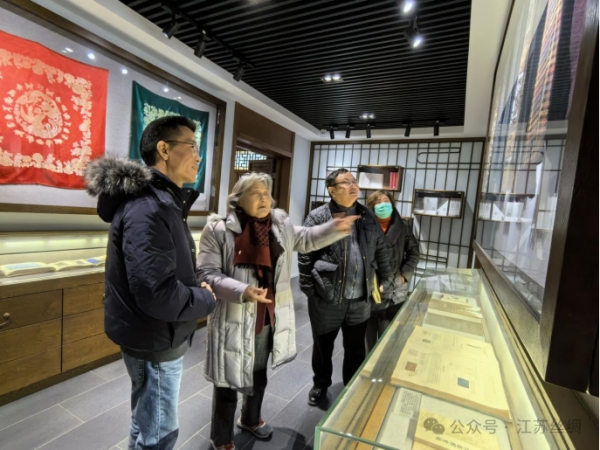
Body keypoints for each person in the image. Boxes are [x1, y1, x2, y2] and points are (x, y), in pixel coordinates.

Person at [196, 172, 358, 450]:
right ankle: (221, 437)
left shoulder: (279, 225)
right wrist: (241, 290)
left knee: (258, 373)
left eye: (267, 193)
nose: (264, 198)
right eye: (256, 193)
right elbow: (206, 273)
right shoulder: (219, 230)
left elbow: (305, 238)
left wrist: (333, 228)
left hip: (267, 314)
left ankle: (250, 419)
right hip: (234, 316)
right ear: (238, 199)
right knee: (227, 379)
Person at [84, 116, 216, 450]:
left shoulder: (162, 201)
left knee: (145, 420)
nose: (198, 156)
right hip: (155, 335)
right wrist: (206, 299)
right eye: (192, 146)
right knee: (159, 433)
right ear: (164, 149)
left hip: (155, 331)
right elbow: (157, 293)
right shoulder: (149, 206)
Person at [298, 168, 394, 407]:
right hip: (327, 296)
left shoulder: (367, 215)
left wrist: (386, 279)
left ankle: (351, 387)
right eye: (346, 182)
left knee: (355, 348)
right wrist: (310, 290)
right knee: (323, 346)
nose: (353, 186)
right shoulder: (318, 216)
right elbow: (305, 254)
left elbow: (381, 250)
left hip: (359, 298)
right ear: (331, 190)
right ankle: (320, 384)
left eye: (354, 182)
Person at [365, 190, 420, 352]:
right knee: (368, 336)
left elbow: (414, 254)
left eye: (386, 201)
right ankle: (368, 365)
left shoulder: (403, 228)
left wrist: (403, 276)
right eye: (378, 202)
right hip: (370, 288)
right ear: (372, 206)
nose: (383, 205)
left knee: (389, 337)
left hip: (395, 289)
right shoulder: (365, 227)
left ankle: (385, 365)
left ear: (392, 204)